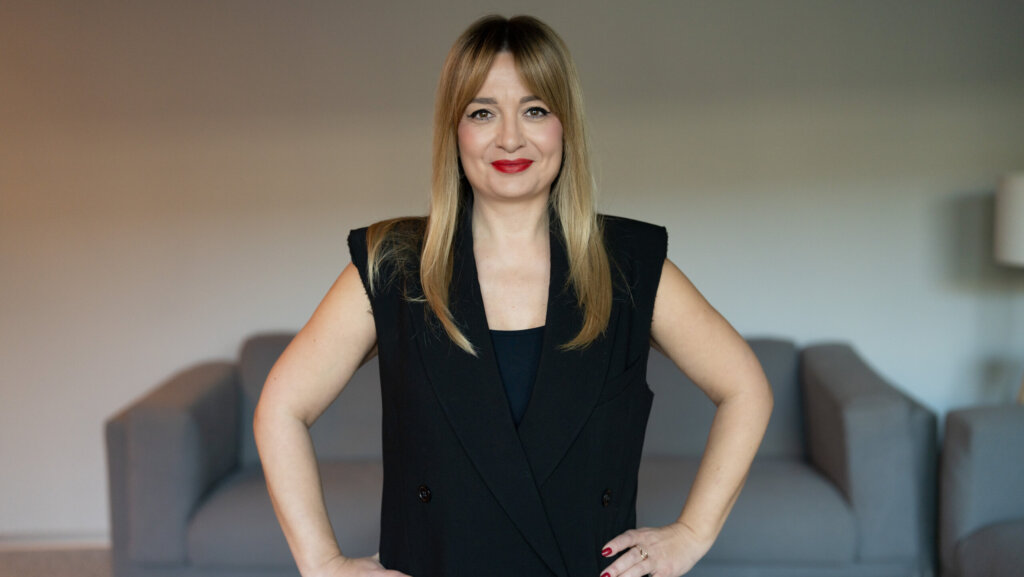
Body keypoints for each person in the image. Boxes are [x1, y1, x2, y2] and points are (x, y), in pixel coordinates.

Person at [253, 14, 773, 577]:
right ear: (454, 130)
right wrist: (323, 563)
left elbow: (746, 389)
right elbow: (281, 409)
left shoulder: (626, 265)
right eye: (482, 112)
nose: (509, 138)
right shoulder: (394, 263)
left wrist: (692, 534)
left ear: (565, 125)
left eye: (535, 110)